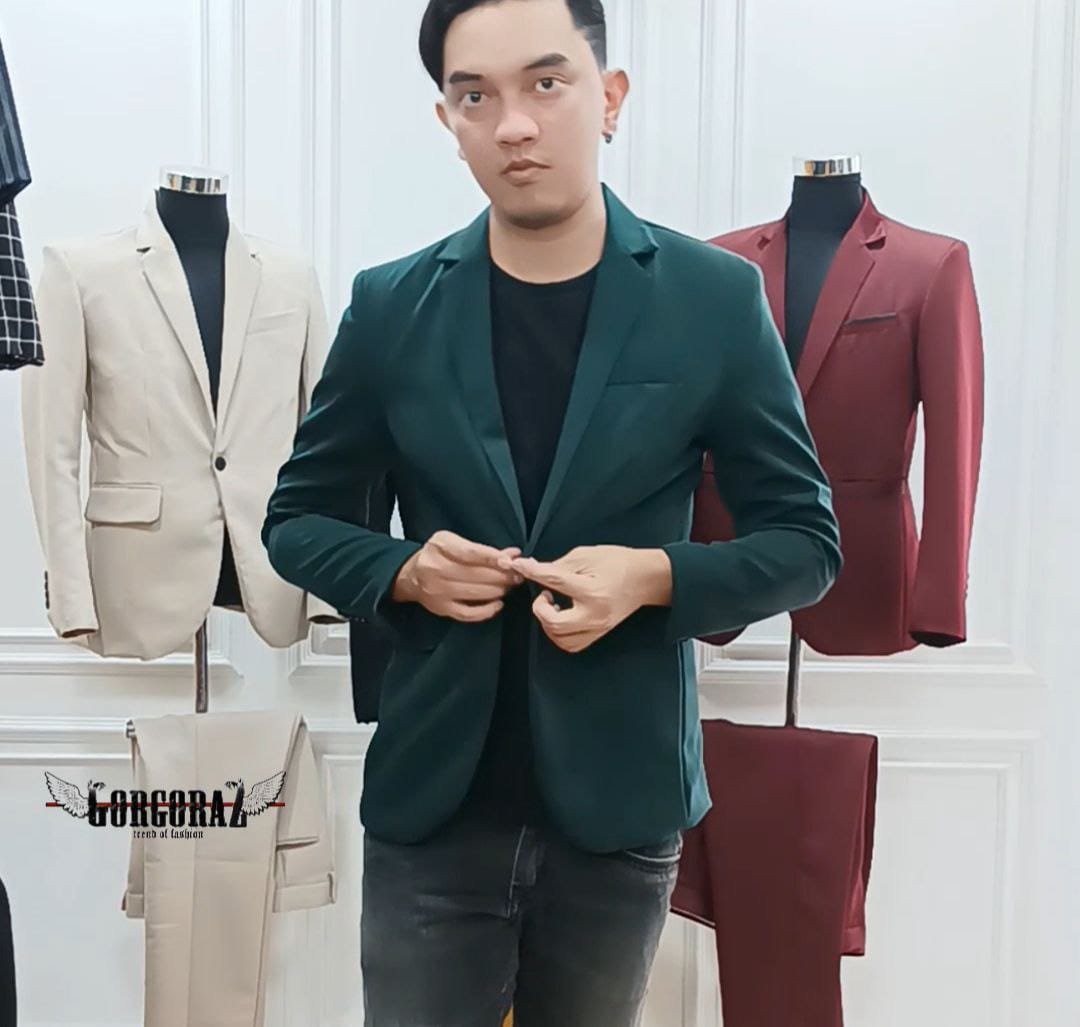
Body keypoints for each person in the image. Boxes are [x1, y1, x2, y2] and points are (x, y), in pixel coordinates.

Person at [261, 0, 842, 1023]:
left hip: (619, 804)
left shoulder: (712, 298)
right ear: (447, 121)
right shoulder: (391, 306)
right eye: (474, 97)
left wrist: (654, 576)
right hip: (433, 804)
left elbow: (806, 542)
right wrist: (403, 571)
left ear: (608, 97)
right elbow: (297, 520)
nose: (514, 124)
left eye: (545, 83)